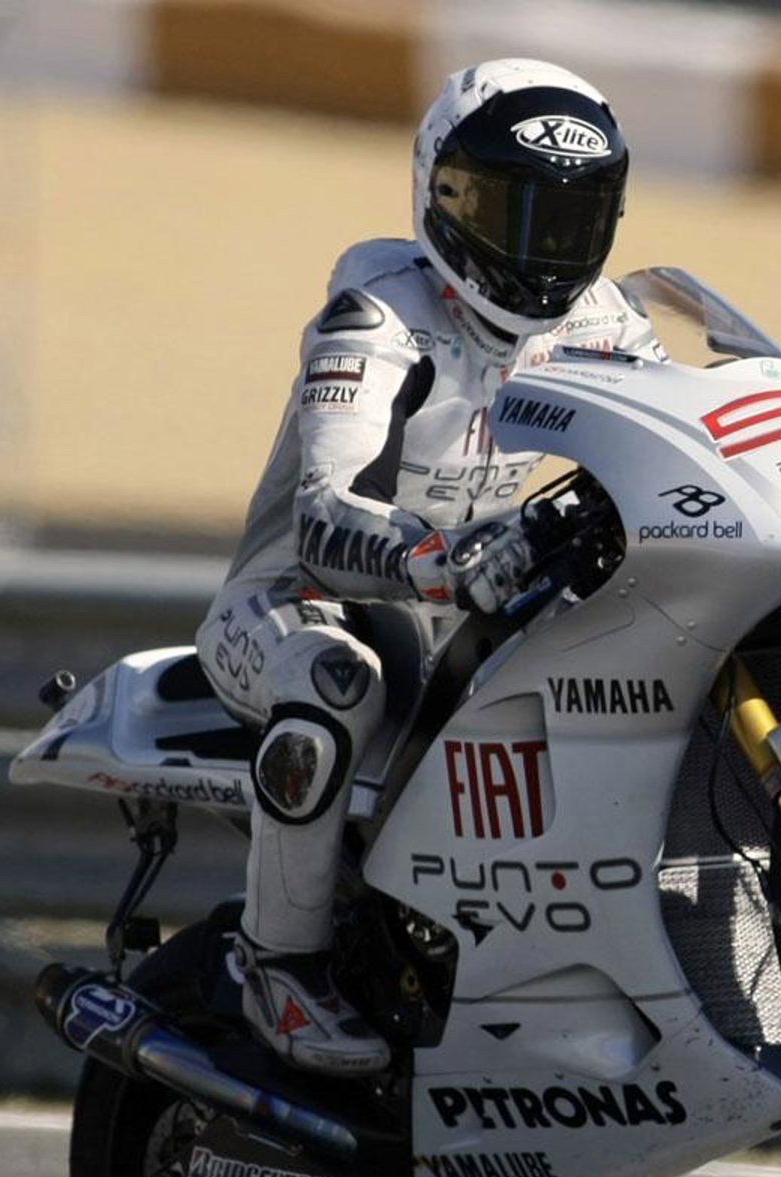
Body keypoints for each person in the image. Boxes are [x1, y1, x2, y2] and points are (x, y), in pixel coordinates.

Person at [196, 57, 662, 1076]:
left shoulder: (604, 325)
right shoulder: (376, 318)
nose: (539, 252)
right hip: (292, 606)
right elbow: (324, 518)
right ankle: (278, 965)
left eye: (568, 222)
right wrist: (439, 562)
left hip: (473, 611)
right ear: (441, 196)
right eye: (508, 212)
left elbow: (677, 446)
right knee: (335, 683)